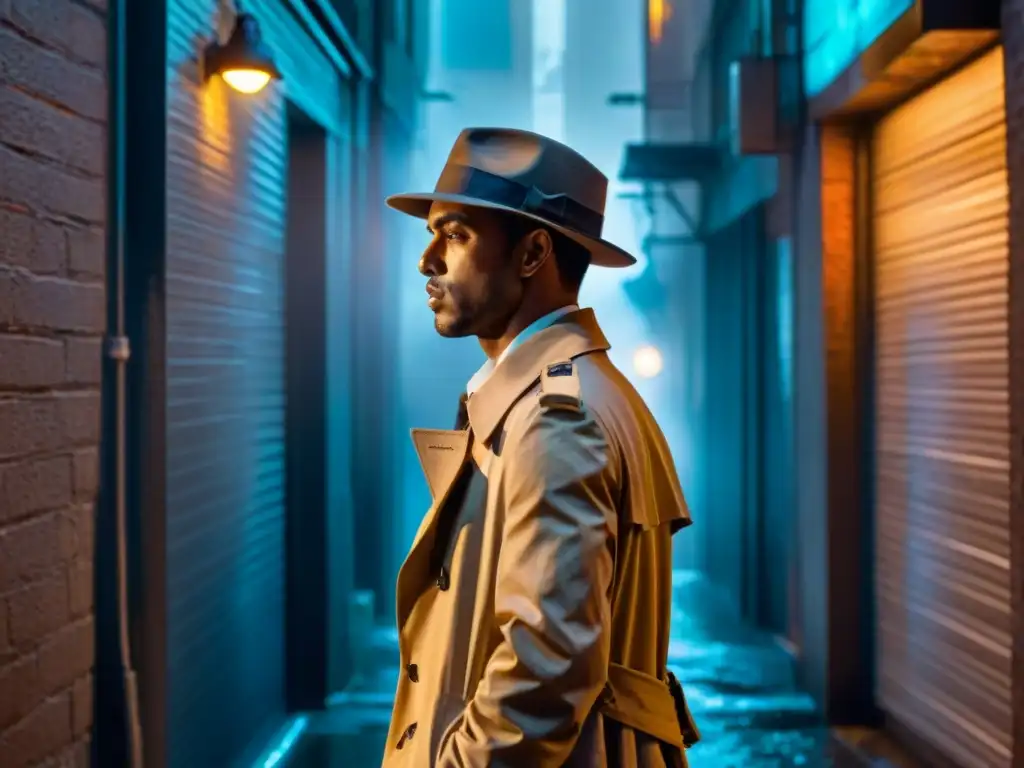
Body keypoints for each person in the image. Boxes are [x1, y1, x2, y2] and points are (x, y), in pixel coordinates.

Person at [382, 128, 698, 768]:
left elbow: (543, 676)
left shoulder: (557, 419)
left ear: (532, 254)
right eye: (432, 234)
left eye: (457, 234)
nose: (428, 260)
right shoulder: (580, 395)